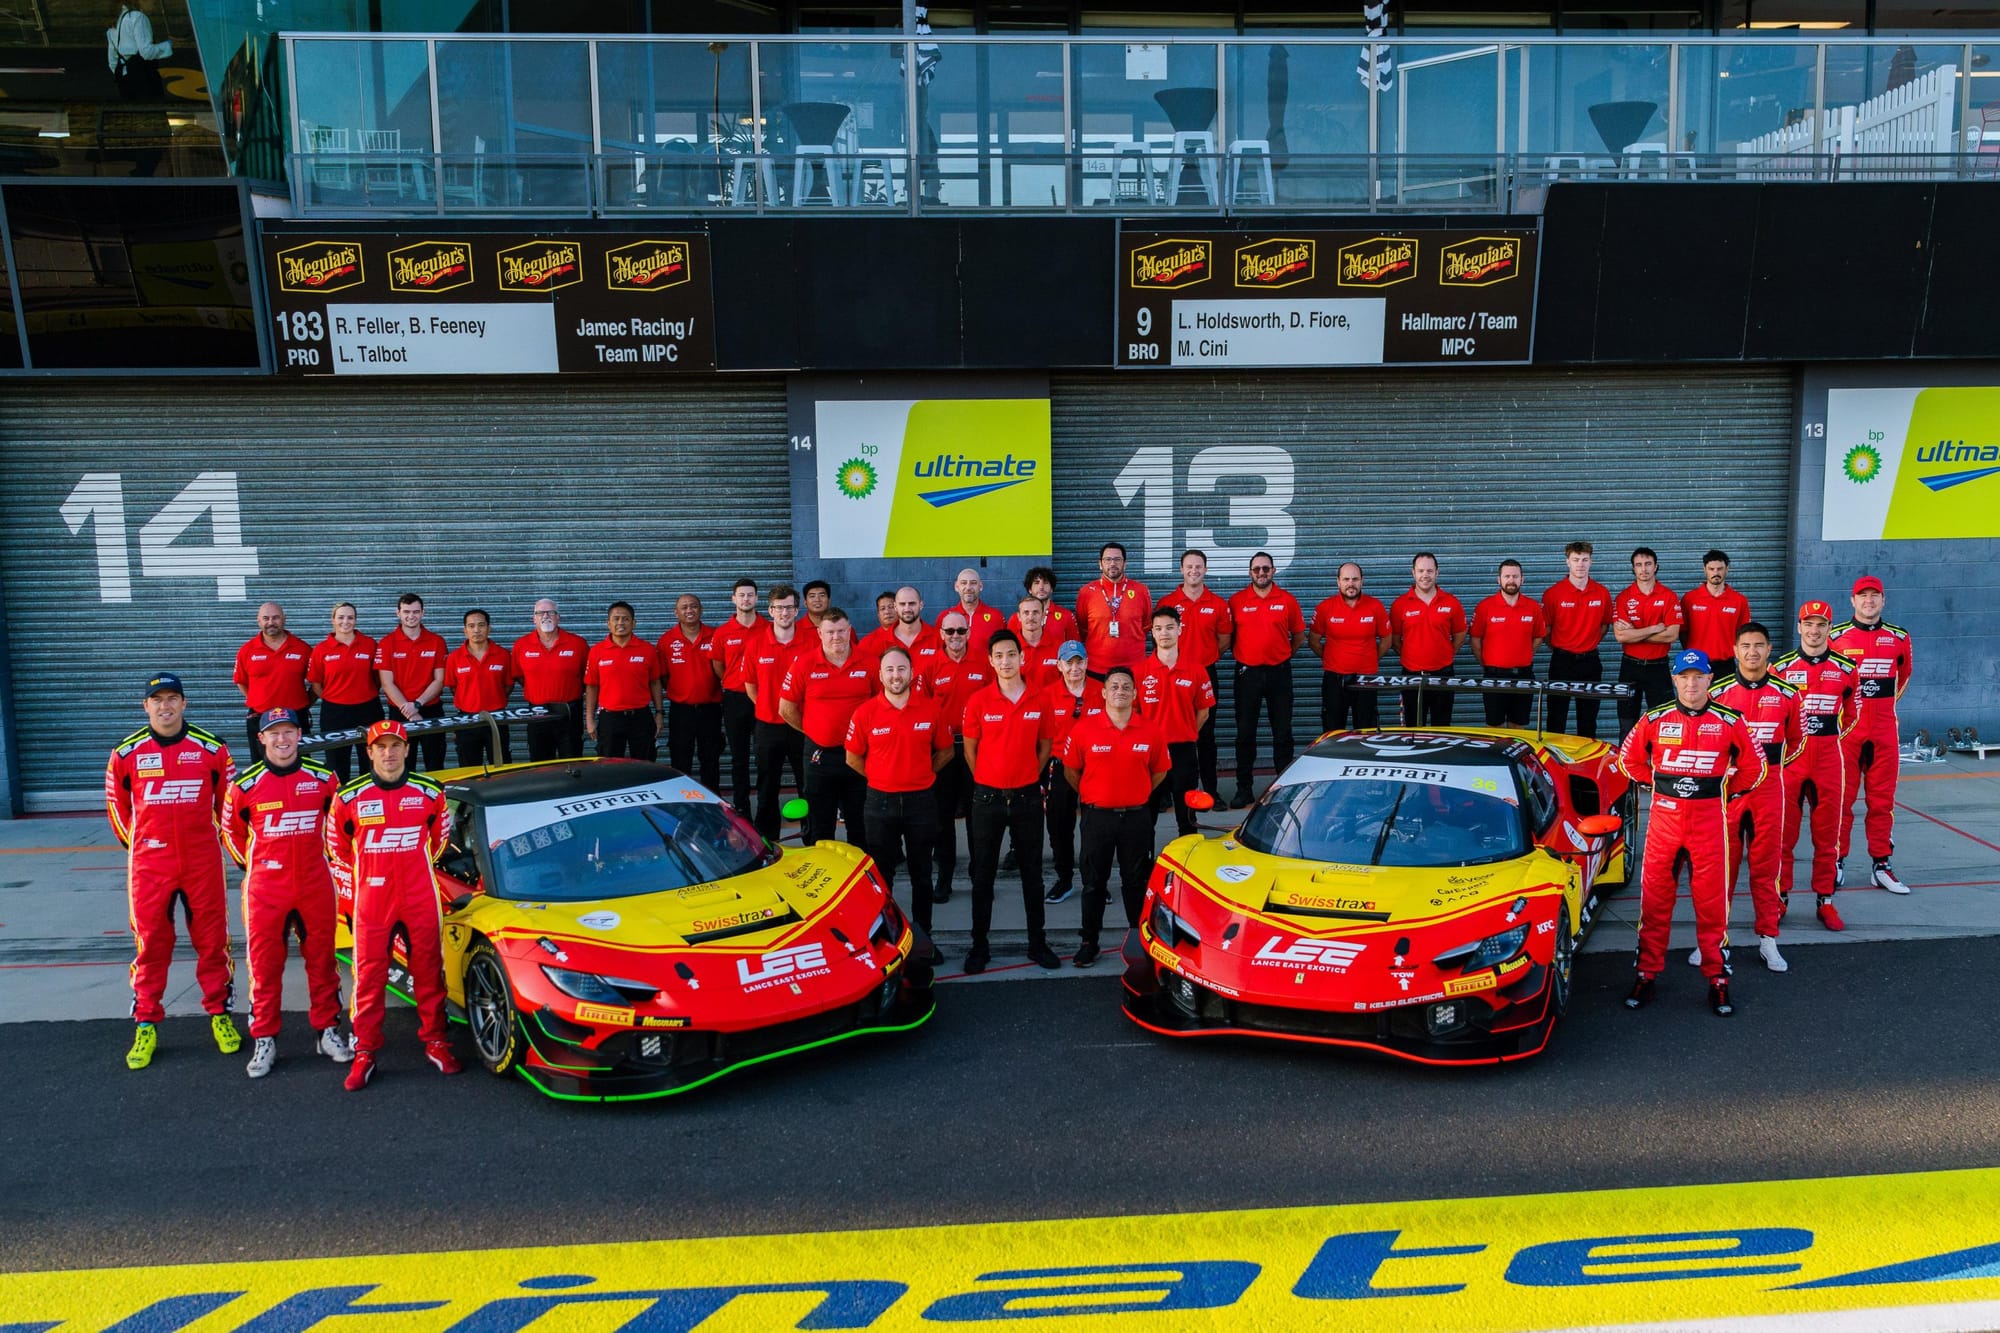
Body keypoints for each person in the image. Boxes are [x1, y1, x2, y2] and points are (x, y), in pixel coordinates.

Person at [1617, 650, 1767, 1018]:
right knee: (1653, 905)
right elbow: (1627, 760)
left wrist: (1725, 794)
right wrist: (1655, 785)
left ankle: (1717, 980)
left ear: (1709, 679)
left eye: (1698, 676)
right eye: (1684, 677)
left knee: (1712, 907)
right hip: (1664, 828)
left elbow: (1755, 767)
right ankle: (1646, 974)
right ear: (1674, 679)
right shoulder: (1654, 718)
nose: (1691, 684)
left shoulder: (1731, 721)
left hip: (1709, 828)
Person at [106, 673, 238, 1071]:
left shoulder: (212, 749)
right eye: (157, 700)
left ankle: (220, 1014)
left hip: (201, 862)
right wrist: (144, 846)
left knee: (212, 941)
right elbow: (117, 807)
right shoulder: (126, 754)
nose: (165, 706)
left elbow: (227, 807)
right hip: (151, 866)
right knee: (151, 945)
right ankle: (146, 1021)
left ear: (184, 703)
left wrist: (217, 845)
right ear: (145, 706)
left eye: (172, 699)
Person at [325, 719, 461, 1090]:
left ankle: (436, 1041)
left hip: (419, 894)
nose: (388, 753)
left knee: (430, 971)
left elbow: (439, 842)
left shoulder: (430, 791)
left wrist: (411, 868)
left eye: (395, 745)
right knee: (368, 977)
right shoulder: (349, 796)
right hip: (372, 899)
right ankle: (365, 1050)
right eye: (380, 747)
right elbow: (336, 849)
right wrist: (363, 885)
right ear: (369, 752)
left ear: (406, 750)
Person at [223, 708, 352, 1077]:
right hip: (266, 889)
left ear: (299, 735)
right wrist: (255, 867)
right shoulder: (245, 784)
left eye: (289, 732)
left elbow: (340, 827)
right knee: (264, 967)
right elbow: (231, 834)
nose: (282, 740)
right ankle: (264, 1038)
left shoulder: (324, 778)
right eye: (274, 733)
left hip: (315, 884)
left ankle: (327, 1031)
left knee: (323, 962)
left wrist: (328, 863)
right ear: (261, 738)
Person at [960, 629, 1061, 974]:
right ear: (990, 661)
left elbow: (1046, 746)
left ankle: (1038, 943)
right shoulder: (978, 701)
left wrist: (1025, 777)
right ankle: (979, 946)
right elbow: (971, 751)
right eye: (999, 656)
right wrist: (991, 778)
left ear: (1022, 657)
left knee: (1032, 875)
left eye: (1011, 654)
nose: (1006, 661)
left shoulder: (1040, 698)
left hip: (1027, 799)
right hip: (987, 799)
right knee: (983, 876)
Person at [846, 646, 953, 960]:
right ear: (880, 675)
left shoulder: (930, 709)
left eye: (902, 669)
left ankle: (923, 940)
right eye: (890, 670)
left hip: (921, 803)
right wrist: (882, 779)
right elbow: (853, 758)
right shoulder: (865, 713)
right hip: (880, 804)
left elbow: (946, 751)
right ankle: (888, 942)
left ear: (912, 673)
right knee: (882, 878)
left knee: (922, 875)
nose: (896, 675)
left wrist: (919, 776)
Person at [1710, 623, 1804, 974]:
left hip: (1769, 791)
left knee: (1767, 868)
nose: (1752, 651)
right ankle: (1717, 940)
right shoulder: (1717, 693)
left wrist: (1768, 771)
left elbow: (1797, 741)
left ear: (1769, 650)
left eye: (1759, 645)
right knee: (1723, 869)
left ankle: (1768, 938)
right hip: (1729, 793)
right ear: (1734, 651)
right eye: (1745, 645)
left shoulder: (1788, 694)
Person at [1063, 666, 1170, 968]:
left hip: (1136, 819)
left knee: (1135, 882)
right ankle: (1089, 942)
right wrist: (1094, 793)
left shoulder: (1151, 730)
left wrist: (1136, 791)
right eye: (1114, 686)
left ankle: (1139, 940)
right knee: (1094, 883)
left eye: (1126, 687)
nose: (1120, 691)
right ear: (1103, 692)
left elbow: (1160, 771)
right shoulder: (1085, 728)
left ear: (1135, 694)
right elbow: (1072, 770)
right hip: (1097, 819)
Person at [1772, 601, 1861, 931]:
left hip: (1828, 759)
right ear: (1798, 627)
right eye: (1808, 624)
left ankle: (1826, 900)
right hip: (1792, 761)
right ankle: (1780, 897)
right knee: (1784, 835)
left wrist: (1832, 739)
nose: (1814, 630)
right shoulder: (1779, 668)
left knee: (1827, 836)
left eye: (1820, 624)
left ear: (1829, 628)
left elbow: (1853, 714)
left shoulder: (1846, 668)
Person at [1832, 575, 1915, 896]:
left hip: (1883, 730)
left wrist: (1881, 710)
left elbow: (1903, 677)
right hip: (1847, 732)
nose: (1868, 601)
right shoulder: (1836, 636)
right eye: (1862, 596)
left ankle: (1881, 864)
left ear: (1883, 600)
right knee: (1842, 800)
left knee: (1882, 802)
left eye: (1874, 595)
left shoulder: (1898, 637)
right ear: (1852, 601)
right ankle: (1835, 861)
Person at [779, 607, 875, 847]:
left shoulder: (870, 663)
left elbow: (881, 706)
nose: (836, 637)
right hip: (819, 755)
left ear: (850, 630)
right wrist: (814, 730)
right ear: (819, 633)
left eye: (841, 630)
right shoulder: (804, 664)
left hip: (860, 755)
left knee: (860, 822)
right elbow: (786, 709)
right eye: (830, 632)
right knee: (820, 825)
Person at [919, 610, 990, 903]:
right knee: (942, 818)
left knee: (978, 817)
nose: (956, 637)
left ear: (969, 633)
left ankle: (979, 877)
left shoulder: (984, 665)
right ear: (941, 634)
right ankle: (945, 878)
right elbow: (920, 709)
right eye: (950, 632)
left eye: (961, 631)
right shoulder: (930, 666)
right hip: (944, 750)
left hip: (977, 749)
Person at [1227, 551, 1303, 807]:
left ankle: (1282, 789)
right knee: (1244, 733)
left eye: (1266, 569)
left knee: (1282, 733)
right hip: (1247, 674)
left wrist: (1280, 656)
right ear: (1250, 572)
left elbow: (1299, 636)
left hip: (1279, 673)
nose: (1261, 573)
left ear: (1273, 571)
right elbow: (1229, 637)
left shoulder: (1287, 600)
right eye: (1257, 569)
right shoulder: (1236, 601)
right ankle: (1244, 790)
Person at [1158, 549, 1232, 795]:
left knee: (1206, 735)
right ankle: (1168, 792)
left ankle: (1211, 791)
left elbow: (1224, 640)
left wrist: (1204, 660)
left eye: (1198, 566)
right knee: (1170, 733)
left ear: (1205, 569)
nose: (1194, 571)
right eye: (1189, 566)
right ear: (1181, 569)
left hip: (1205, 674)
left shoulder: (1218, 604)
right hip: (1171, 675)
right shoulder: (1167, 603)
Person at [1137, 606, 1214, 837]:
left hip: (1184, 751)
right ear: (1152, 633)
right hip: (1150, 753)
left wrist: (1188, 731)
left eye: (1170, 628)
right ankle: (1143, 869)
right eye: (1158, 629)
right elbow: (1133, 715)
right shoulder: (1139, 671)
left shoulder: (1196, 670)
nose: (1164, 633)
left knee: (1187, 817)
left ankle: (1187, 865)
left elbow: (1204, 712)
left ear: (1180, 630)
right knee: (1146, 815)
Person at [1041, 641, 1102, 906]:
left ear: (1087, 663)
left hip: (1096, 767)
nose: (1075, 668)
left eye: (1080, 662)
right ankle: (1064, 879)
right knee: (1059, 826)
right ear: (1059, 665)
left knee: (1096, 826)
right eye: (1069, 662)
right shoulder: (1046, 695)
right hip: (1060, 767)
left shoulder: (1103, 691)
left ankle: (1095, 882)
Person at [745, 585, 808, 839]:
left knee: (808, 785)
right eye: (779, 608)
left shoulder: (811, 642)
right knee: (767, 785)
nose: (784, 613)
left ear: (797, 610)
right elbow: (750, 686)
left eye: (789, 607)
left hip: (802, 727)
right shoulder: (756, 643)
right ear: (770, 610)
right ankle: (767, 840)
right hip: (768, 727)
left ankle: (811, 833)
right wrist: (769, 709)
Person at [1541, 542, 1613, 739]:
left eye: (1584, 560)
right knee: (1556, 718)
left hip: (1590, 662)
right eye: (1575, 560)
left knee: (1588, 719)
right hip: (1561, 662)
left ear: (1591, 562)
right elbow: (1546, 629)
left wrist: (1587, 643)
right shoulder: (1553, 593)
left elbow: (1605, 625)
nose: (1580, 564)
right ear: (1567, 562)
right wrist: (1561, 647)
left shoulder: (1602, 593)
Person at [1309, 563, 1391, 732]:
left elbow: (1387, 640)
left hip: (1366, 680)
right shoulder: (1325, 608)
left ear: (1362, 581)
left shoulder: (1375, 606)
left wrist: (1369, 658)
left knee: (1366, 731)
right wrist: (1333, 658)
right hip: (1334, 679)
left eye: (1355, 579)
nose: (1351, 583)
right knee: (1332, 731)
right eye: (1346, 579)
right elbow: (1314, 641)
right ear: (1338, 582)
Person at [1389, 552, 1467, 728]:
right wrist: (1412, 657)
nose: (1425, 575)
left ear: (1437, 573)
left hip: (1444, 675)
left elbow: (1460, 635)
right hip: (1411, 676)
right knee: (1412, 729)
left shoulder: (1452, 602)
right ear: (1413, 573)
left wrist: (1445, 654)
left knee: (1442, 728)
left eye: (1430, 571)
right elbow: (1394, 640)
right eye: (1421, 570)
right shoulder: (1400, 604)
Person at [307, 602, 381, 785]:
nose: (345, 621)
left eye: (350, 617)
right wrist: (334, 698)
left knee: (371, 761)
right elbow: (315, 683)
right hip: (335, 714)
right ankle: (339, 806)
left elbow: (379, 677)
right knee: (337, 765)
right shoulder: (321, 650)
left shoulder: (370, 644)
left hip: (368, 709)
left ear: (355, 620)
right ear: (333, 620)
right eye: (340, 617)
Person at [709, 579, 766, 812]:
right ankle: (741, 807)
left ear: (757, 598)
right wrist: (734, 681)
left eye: (750, 595)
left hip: (763, 699)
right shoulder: (722, 632)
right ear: (733, 599)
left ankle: (765, 805)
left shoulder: (769, 628)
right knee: (739, 757)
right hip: (734, 699)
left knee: (764, 756)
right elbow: (718, 665)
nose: (746, 599)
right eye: (741, 595)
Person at [376, 593, 449, 772]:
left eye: (416, 611)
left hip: (431, 710)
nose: (411, 616)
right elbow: (386, 683)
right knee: (402, 767)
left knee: (436, 765)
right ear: (398, 613)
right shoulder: (386, 643)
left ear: (423, 613)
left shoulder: (436, 641)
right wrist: (409, 712)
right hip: (400, 713)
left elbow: (440, 680)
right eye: (406, 611)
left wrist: (417, 704)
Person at [1613, 548, 1681, 740]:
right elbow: (1621, 637)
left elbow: (1671, 635)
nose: (1644, 569)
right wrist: (1653, 628)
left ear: (1656, 566)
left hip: (1658, 666)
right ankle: (1625, 767)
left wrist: (1634, 632)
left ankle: (1662, 766)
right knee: (1627, 723)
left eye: (1648, 564)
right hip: (1630, 666)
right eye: (1639, 565)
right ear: (1633, 569)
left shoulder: (1669, 596)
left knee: (1664, 722)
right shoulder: (1624, 597)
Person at [233, 602, 312, 767]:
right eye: (266, 618)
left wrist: (303, 703)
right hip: (259, 718)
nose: (271, 622)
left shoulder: (302, 648)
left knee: (301, 766)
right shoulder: (246, 650)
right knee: (261, 769)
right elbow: (241, 681)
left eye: (275, 618)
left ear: (284, 619)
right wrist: (259, 700)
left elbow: (316, 682)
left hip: (296, 718)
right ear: (259, 621)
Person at [1471, 560, 1545, 728]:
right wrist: (1487, 664)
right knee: (1494, 727)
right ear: (1499, 580)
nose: (1511, 580)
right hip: (1494, 677)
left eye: (1515, 576)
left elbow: (1539, 636)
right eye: (1507, 576)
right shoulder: (1485, 607)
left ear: (1522, 579)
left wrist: (1524, 654)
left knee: (1518, 726)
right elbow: (1475, 639)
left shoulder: (1533, 607)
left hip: (1523, 676)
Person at [585, 601, 662, 761]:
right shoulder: (596, 651)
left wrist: (659, 713)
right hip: (610, 718)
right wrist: (589, 718)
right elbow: (592, 686)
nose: (621, 623)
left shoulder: (647, 650)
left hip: (641, 717)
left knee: (645, 765)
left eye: (626, 619)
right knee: (609, 767)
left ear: (633, 623)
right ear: (608, 623)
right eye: (616, 619)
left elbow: (655, 682)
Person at [513, 598, 588, 761]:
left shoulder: (578, 644)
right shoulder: (521, 645)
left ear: (558, 617)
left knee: (571, 762)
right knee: (540, 765)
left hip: (569, 713)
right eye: (540, 613)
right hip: (536, 714)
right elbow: (519, 676)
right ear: (534, 618)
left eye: (551, 612)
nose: (545, 616)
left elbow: (585, 677)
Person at [660, 593, 722, 789]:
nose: (689, 610)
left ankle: (714, 802)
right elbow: (663, 677)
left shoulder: (716, 636)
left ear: (700, 610)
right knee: (680, 760)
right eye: (684, 607)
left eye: (693, 606)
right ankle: (682, 802)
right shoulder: (666, 641)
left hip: (710, 709)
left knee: (711, 759)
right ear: (676, 613)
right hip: (681, 711)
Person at [443, 609, 515, 768]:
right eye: (471, 626)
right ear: (465, 630)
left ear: (489, 628)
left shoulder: (503, 655)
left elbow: (509, 685)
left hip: (497, 719)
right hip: (466, 721)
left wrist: (494, 700)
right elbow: (453, 687)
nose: (476, 630)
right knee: (469, 767)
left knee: (501, 767)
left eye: (481, 625)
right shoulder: (454, 658)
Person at [1076, 542, 1151, 677]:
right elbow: (1083, 628)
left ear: (1125, 563)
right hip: (1096, 668)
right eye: (1108, 559)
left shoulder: (1141, 590)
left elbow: (1146, 626)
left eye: (1117, 559)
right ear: (1100, 563)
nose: (1112, 563)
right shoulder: (1086, 592)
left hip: (1134, 666)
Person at [1681, 550, 1752, 683]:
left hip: (1726, 665)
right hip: (1696, 663)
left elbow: (1744, 635)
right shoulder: (1689, 599)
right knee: (1697, 703)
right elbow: (1682, 631)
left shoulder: (1739, 600)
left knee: (1724, 703)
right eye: (1711, 569)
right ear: (1705, 570)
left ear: (1727, 569)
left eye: (1720, 569)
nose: (1716, 573)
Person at [866, 586, 942, 676]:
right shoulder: (876, 643)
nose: (907, 609)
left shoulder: (938, 638)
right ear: (895, 606)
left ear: (921, 605)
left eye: (912, 604)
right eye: (902, 604)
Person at [936, 567, 1006, 660]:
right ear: (956, 587)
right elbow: (938, 651)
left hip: (987, 672)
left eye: (973, 583)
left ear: (980, 586)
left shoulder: (996, 616)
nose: (968, 588)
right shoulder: (945, 617)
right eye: (963, 583)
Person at [1016, 566, 1080, 646]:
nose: (1041, 587)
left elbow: (1075, 648)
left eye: (1045, 583)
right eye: (1036, 583)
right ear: (1030, 589)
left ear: (1051, 588)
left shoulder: (1066, 616)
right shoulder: (1016, 618)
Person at [1013, 596, 1062, 691]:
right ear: (1019, 617)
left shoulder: (1059, 646)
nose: (1031, 617)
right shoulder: (1010, 647)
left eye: (1035, 612)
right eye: (1026, 613)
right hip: (1022, 704)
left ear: (1043, 615)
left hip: (1050, 704)